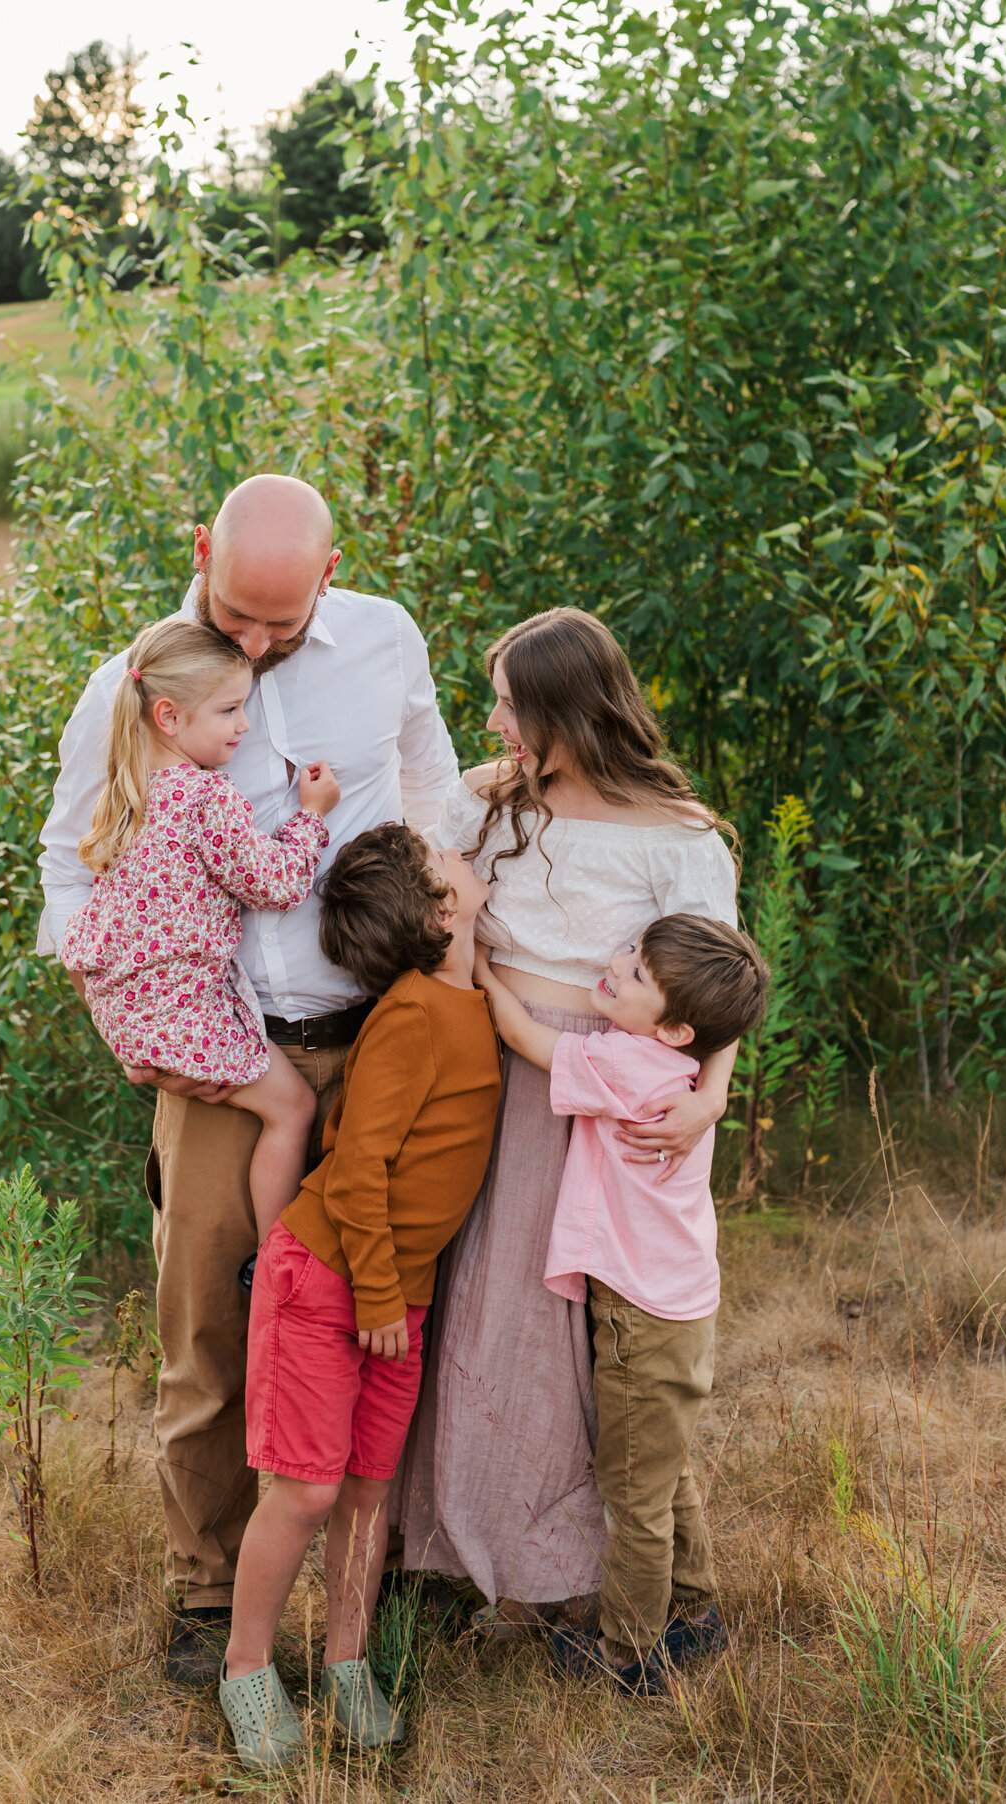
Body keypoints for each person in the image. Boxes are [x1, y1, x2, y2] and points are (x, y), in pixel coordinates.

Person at [38, 474, 459, 1682]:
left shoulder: (387, 640)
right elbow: (69, 865)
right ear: (199, 552)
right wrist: (114, 995)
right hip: (224, 1055)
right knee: (214, 1330)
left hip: (384, 1038)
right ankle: (209, 1595)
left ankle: (375, 1587)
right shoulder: (132, 687)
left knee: (387, 1310)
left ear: (334, 570)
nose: (257, 647)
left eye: (281, 623)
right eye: (236, 613)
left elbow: (433, 790)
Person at [400, 607, 740, 1632]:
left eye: (509, 701)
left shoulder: (676, 836)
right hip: (483, 1065)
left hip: (593, 1088)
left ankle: (560, 1565)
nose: (494, 718)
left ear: (562, 709)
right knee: (470, 1309)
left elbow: (716, 993)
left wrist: (712, 1096)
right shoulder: (486, 799)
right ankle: (455, 1547)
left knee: (566, 1339)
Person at [218, 824, 501, 1772]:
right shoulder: (414, 1014)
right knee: (307, 1489)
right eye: (448, 860)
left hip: (396, 1299)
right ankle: (247, 1669)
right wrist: (378, 1295)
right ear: (439, 909)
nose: (465, 858)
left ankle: (346, 1664)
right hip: (333, 1277)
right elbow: (360, 1170)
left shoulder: (476, 1002)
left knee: (370, 1492)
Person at [474, 916, 768, 1693]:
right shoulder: (676, 1070)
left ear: (673, 1029)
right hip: (680, 1300)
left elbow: (526, 1037)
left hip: (641, 1310)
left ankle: (630, 1651)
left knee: (632, 1489)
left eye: (635, 974)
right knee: (664, 1470)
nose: (615, 964)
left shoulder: (624, 1065)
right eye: (632, 952)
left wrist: (479, 965)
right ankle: (696, 1614)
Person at [59, 617, 340, 1253]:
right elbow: (273, 884)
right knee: (291, 1109)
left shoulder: (130, 791)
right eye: (230, 709)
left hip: (127, 1011)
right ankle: (280, 1262)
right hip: (179, 1011)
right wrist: (312, 817)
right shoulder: (204, 796)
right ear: (169, 716)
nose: (244, 725)